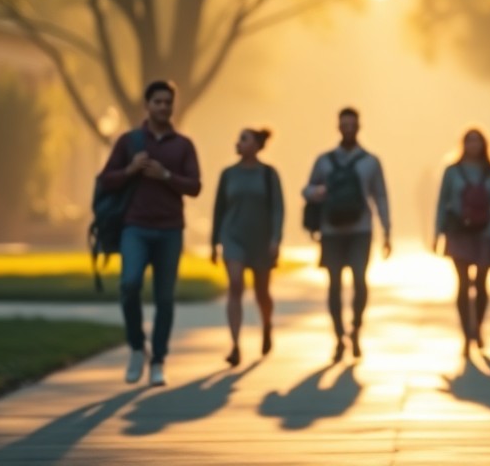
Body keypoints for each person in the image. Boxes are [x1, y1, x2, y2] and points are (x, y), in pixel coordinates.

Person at [98, 80, 202, 387]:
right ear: (147, 105)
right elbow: (105, 180)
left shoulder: (183, 145)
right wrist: (129, 170)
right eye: (158, 102)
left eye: (168, 102)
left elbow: (195, 186)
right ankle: (135, 347)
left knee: (164, 298)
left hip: (170, 229)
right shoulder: (129, 142)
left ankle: (158, 360)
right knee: (129, 285)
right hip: (136, 227)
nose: (163, 107)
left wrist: (166, 176)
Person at [301, 107, 392, 362]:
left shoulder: (370, 161)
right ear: (338, 127)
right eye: (344, 125)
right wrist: (316, 192)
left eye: (352, 125)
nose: (348, 129)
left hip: (361, 230)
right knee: (334, 284)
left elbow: (380, 195)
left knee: (360, 281)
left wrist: (387, 231)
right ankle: (339, 335)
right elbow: (306, 189)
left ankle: (356, 329)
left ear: (359, 127)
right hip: (331, 231)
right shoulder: (324, 161)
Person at [434, 128, 490, 356]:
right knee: (461, 283)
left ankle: (477, 327)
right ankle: (466, 334)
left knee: (481, 283)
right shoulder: (451, 171)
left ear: (484, 145)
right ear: (463, 144)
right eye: (469, 141)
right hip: (458, 232)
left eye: (477, 141)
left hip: (485, 233)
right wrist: (437, 232)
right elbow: (442, 201)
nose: (473, 145)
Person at [211, 127, 284, 366]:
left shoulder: (268, 174)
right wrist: (214, 242)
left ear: (256, 145)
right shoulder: (228, 174)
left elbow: (277, 208)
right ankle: (235, 345)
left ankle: (266, 325)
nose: (239, 142)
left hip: (261, 240)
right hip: (233, 237)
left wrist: (275, 238)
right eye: (239, 138)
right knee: (235, 285)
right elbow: (219, 209)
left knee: (262, 292)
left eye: (244, 138)